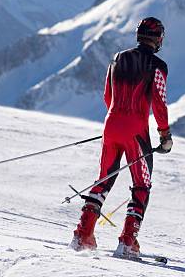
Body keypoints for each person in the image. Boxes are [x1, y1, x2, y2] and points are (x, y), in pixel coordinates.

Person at [70, 17, 173, 259]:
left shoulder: (118, 58)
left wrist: (117, 120)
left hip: (111, 124)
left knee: (104, 178)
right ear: (158, 39)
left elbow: (108, 95)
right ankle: (128, 241)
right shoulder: (158, 66)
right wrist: (164, 134)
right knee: (141, 184)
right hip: (136, 130)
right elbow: (159, 103)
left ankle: (83, 234)